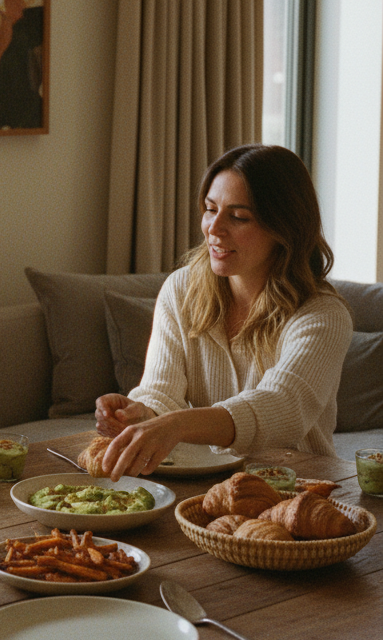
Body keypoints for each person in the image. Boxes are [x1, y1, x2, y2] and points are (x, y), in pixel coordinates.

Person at [95, 144, 352, 482]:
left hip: (299, 490)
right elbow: (161, 391)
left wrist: (174, 426)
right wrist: (140, 413)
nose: (213, 229)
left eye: (238, 217)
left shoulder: (322, 316)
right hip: (211, 487)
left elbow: (282, 407)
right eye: (210, 209)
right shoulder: (181, 289)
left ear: (284, 227)